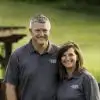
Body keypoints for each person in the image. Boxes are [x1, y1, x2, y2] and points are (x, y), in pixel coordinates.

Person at [4, 14, 59, 100]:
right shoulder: (18, 55)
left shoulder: (60, 54)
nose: (41, 34)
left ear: (49, 31)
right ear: (30, 31)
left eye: (45, 30)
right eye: (37, 30)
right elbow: (10, 86)